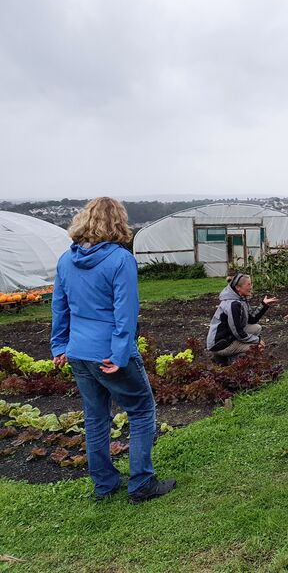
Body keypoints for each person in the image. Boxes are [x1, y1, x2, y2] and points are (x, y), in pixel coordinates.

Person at [50, 197, 176, 503]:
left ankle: (104, 485)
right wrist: (120, 355)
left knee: (95, 418)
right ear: (119, 222)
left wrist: (59, 345)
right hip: (109, 353)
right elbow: (125, 313)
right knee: (142, 410)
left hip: (79, 351)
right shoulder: (120, 259)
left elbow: (60, 307)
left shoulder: (66, 260)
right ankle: (142, 483)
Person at [206, 273, 278, 364]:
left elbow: (252, 319)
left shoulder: (240, 299)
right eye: (248, 284)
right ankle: (231, 360)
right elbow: (237, 331)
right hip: (220, 343)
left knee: (256, 328)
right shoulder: (233, 304)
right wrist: (257, 340)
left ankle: (226, 357)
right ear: (238, 287)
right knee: (257, 347)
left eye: (251, 284)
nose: (251, 287)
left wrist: (264, 305)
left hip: (229, 336)